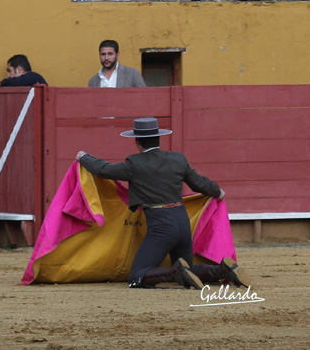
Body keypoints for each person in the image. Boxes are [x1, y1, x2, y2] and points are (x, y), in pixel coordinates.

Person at [76, 117, 252, 289]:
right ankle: (222, 270)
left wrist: (83, 157)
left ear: (137, 142)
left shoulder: (134, 163)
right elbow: (199, 183)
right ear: (158, 138)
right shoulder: (178, 159)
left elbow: (103, 170)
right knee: (188, 269)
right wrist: (217, 190)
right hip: (182, 222)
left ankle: (173, 273)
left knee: (136, 276)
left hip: (161, 226)